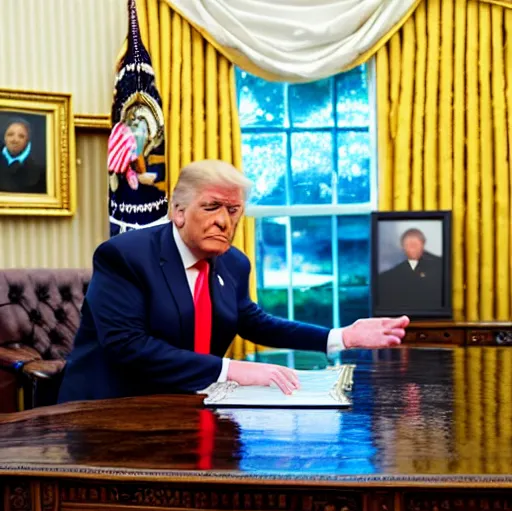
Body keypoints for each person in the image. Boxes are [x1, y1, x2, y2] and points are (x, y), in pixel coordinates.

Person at [58, 160, 409, 403]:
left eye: (233, 210)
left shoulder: (233, 263)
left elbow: (252, 321)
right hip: (109, 409)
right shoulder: (124, 256)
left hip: (189, 406)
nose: (224, 221)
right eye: (212, 207)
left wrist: (342, 336)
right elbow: (128, 346)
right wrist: (232, 370)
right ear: (179, 212)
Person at [377, 228, 443, 311]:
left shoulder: (439, 265)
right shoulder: (390, 275)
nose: (412, 249)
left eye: (415, 245)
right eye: (408, 245)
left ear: (423, 245)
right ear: (402, 247)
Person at [0, 118, 46, 194]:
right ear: (4, 137)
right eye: (10, 134)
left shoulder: (37, 171)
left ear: (27, 140)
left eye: (21, 136)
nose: (15, 140)